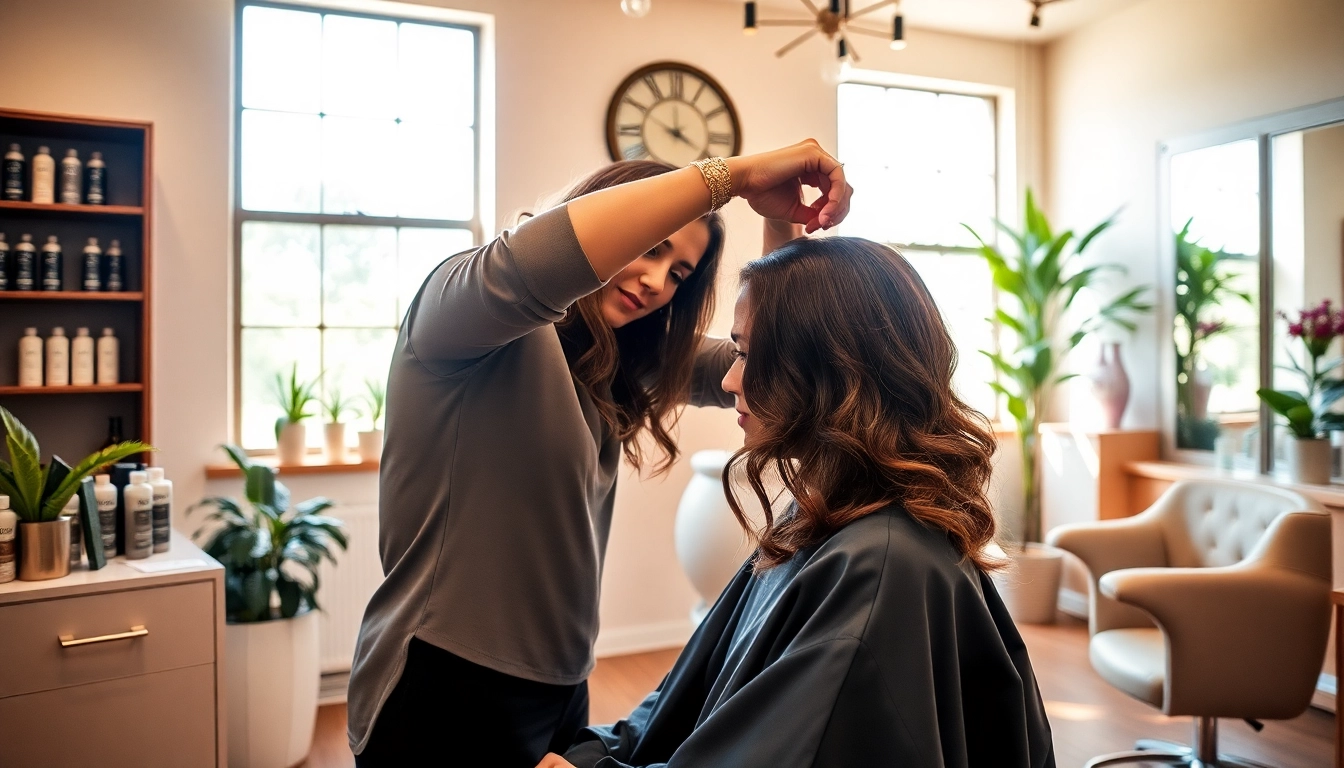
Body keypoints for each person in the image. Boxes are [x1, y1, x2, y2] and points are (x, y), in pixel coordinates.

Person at [348, 141, 854, 767]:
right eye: (651, 247)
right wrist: (735, 177)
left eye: (679, 274)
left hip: (562, 687)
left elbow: (774, 359)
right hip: (443, 680)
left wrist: (782, 222)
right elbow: (539, 261)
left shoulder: (623, 363)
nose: (655, 282)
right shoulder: (460, 316)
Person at [542, 237, 1056, 768]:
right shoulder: (831, 511)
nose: (728, 380)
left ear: (825, 371)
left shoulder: (877, 564)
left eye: (744, 354)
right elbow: (694, 696)